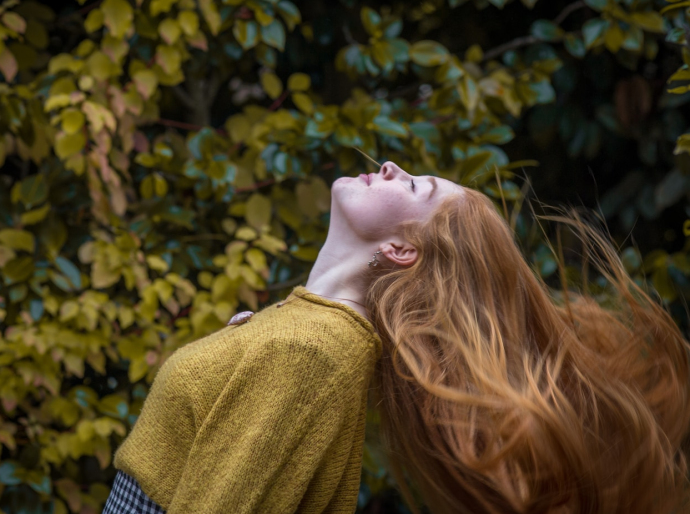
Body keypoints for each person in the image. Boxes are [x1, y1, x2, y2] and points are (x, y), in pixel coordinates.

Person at [102, 161, 690, 514]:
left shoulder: (310, 352)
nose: (389, 167)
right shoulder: (308, 332)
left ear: (401, 250)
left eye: (414, 188)